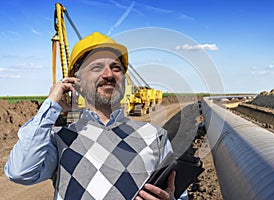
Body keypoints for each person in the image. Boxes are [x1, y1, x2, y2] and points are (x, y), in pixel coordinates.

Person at [4, 32, 187, 200]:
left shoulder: (155, 136)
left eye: (116, 68)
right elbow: (20, 172)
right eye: (96, 67)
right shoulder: (57, 138)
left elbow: (178, 194)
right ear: (77, 82)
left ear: (124, 81)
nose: (108, 74)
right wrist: (51, 104)